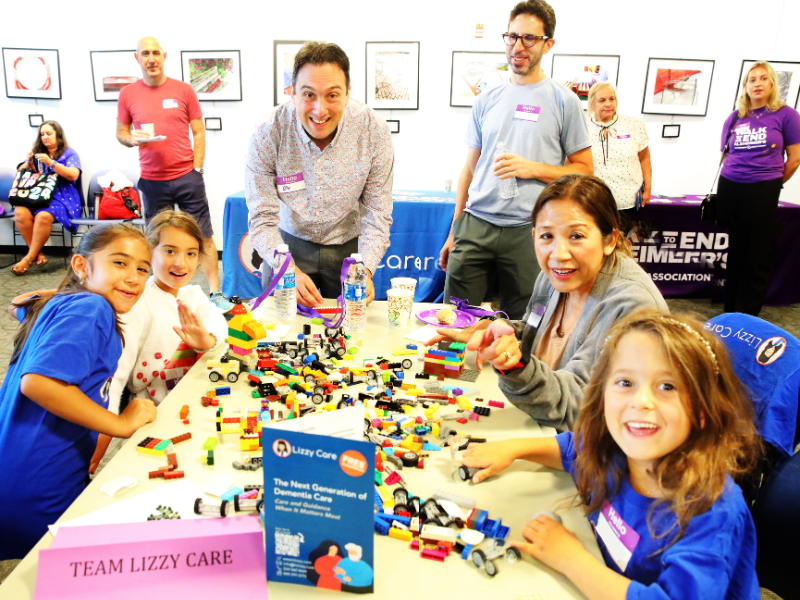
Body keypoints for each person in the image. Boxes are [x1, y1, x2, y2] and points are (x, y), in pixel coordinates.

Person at [459, 310, 761, 599]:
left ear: (704, 410)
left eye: (667, 386)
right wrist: (514, 448)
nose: (641, 401)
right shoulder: (616, 449)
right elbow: (573, 448)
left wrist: (571, 560)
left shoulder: (711, 512)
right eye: (625, 383)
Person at [429, 175, 667, 431]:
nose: (559, 254)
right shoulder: (553, 277)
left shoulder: (632, 307)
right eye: (546, 236)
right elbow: (535, 327)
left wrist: (516, 366)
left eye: (576, 235)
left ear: (609, 240)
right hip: (539, 422)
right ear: (534, 236)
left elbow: (578, 408)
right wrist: (497, 329)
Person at [0, 223, 158, 559]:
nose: (134, 277)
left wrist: (57, 294)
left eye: (143, 269)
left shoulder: (65, 305)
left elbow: (17, 304)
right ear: (81, 265)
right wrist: (121, 423)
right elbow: (38, 382)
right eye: (120, 262)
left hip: (16, 475)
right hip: (38, 485)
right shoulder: (92, 309)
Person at [440, 0, 593, 320]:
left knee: (525, 324)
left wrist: (533, 168)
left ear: (548, 44)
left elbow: (584, 170)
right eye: (512, 36)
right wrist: (456, 227)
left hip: (530, 230)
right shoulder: (486, 99)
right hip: (476, 224)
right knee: (454, 320)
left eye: (529, 38)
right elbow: (470, 168)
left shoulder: (563, 101)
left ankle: (510, 373)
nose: (517, 46)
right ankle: (454, 371)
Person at [245, 41, 394, 307]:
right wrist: (285, 268)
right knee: (278, 332)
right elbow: (262, 219)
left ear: (348, 93)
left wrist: (366, 268)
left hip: (349, 249)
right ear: (292, 92)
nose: (320, 110)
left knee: (352, 335)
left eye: (332, 95)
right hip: (287, 246)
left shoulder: (373, 131)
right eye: (309, 95)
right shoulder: (269, 132)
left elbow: (377, 214)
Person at [116, 36, 229, 311]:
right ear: (137, 58)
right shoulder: (127, 94)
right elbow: (120, 133)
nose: (151, 58)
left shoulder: (184, 90)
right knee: (157, 239)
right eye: (145, 53)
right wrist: (132, 139)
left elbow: (199, 131)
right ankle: (160, 294)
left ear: (164, 56)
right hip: (152, 181)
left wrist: (197, 168)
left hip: (186, 177)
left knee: (204, 234)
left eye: (155, 52)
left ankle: (215, 292)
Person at [716, 60, 800, 317]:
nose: (758, 83)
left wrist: (772, 183)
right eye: (752, 79)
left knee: (758, 256)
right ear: (745, 86)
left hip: (763, 190)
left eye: (763, 78)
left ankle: (748, 314)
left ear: (772, 84)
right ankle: (730, 311)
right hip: (731, 187)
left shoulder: (787, 115)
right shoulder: (735, 117)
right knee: (736, 252)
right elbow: (725, 155)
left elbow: (795, 158)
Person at [12, 120, 82, 275]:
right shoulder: (37, 153)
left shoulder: (69, 153)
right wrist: (28, 163)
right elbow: (21, 171)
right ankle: (38, 254)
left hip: (62, 198)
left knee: (43, 215)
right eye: (42, 134)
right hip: (36, 196)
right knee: (19, 211)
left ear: (58, 136)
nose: (45, 137)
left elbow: (73, 175)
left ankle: (28, 258)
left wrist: (51, 163)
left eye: (49, 134)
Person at [586, 82, 652, 229]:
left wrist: (647, 189)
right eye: (602, 100)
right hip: (594, 202)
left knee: (621, 246)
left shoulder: (634, 124)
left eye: (612, 99)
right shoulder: (582, 126)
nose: (608, 104)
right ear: (592, 103)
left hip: (627, 202)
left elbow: (645, 158)